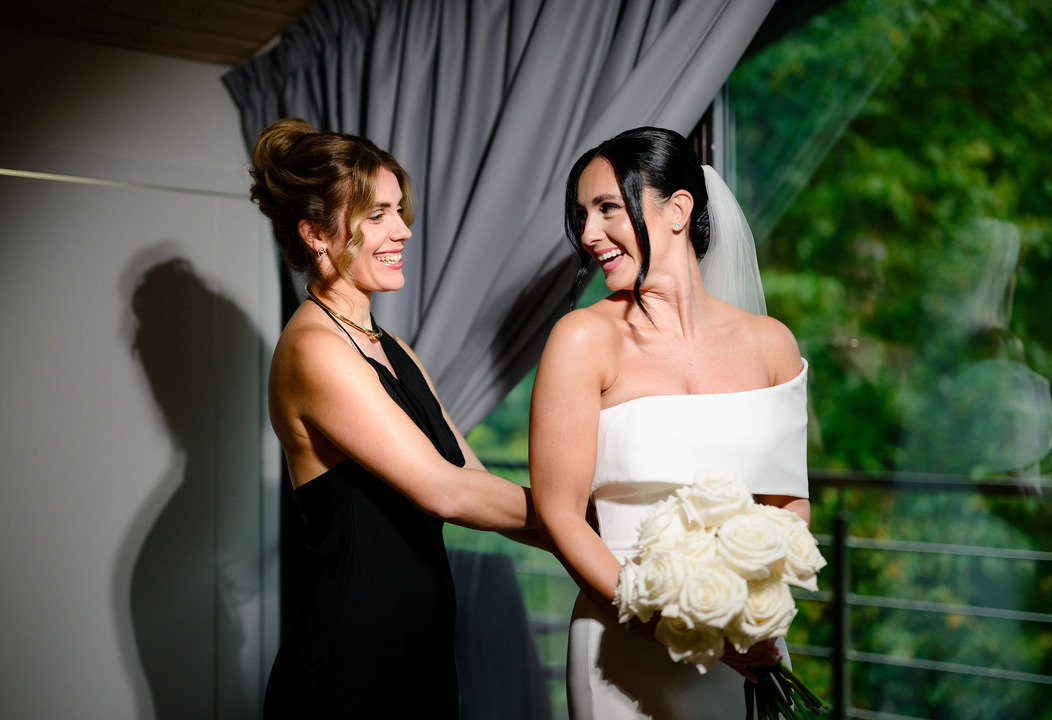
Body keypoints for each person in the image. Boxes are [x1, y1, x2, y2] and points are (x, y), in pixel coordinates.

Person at [248, 118, 536, 719]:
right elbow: (444, 493)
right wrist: (583, 521)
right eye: (377, 215)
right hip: (349, 666)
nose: (403, 229)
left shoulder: (393, 347)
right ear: (315, 234)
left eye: (398, 210)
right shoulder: (314, 350)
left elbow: (474, 479)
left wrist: (597, 544)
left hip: (421, 654)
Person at [529, 127, 810, 719]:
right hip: (623, 644)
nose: (589, 234)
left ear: (678, 209)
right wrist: (665, 623)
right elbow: (560, 514)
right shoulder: (581, 340)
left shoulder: (771, 344)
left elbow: (788, 504)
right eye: (582, 215)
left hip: (745, 646)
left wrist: (750, 613)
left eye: (608, 208)